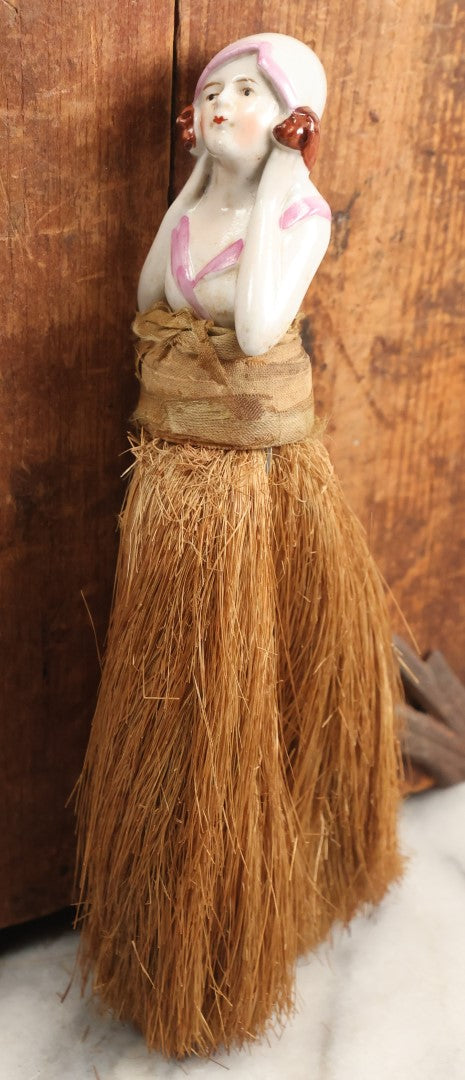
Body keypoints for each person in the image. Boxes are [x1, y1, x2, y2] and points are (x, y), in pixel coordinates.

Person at [76, 34, 402, 1060]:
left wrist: (278, 185)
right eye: (213, 90)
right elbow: (149, 300)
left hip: (255, 476)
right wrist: (203, 188)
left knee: (264, 674)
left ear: (295, 118)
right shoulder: (194, 209)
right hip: (179, 465)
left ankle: (291, 880)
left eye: (252, 91)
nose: (223, 102)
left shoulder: (297, 216)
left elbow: (258, 327)